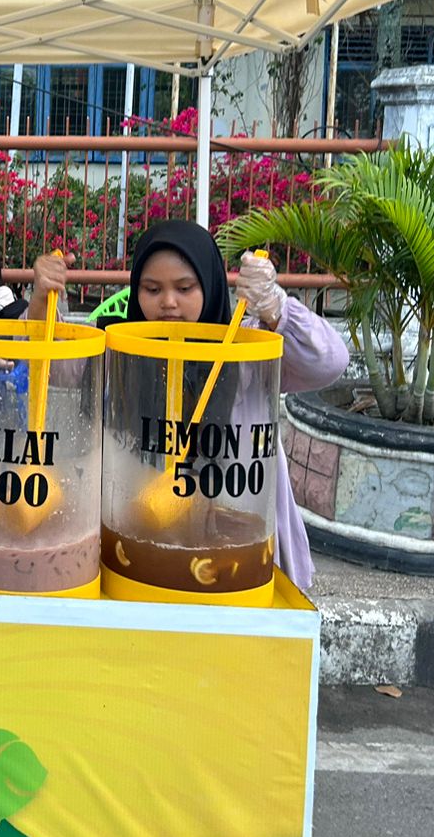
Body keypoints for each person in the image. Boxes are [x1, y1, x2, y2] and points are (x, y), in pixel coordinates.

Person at [24, 221, 348, 588]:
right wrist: (41, 300)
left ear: (208, 285)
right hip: (140, 550)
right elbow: (52, 364)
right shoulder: (117, 349)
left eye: (184, 288)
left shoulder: (247, 352)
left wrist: (276, 309)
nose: (168, 303)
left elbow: (330, 362)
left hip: (241, 555)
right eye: (151, 289)